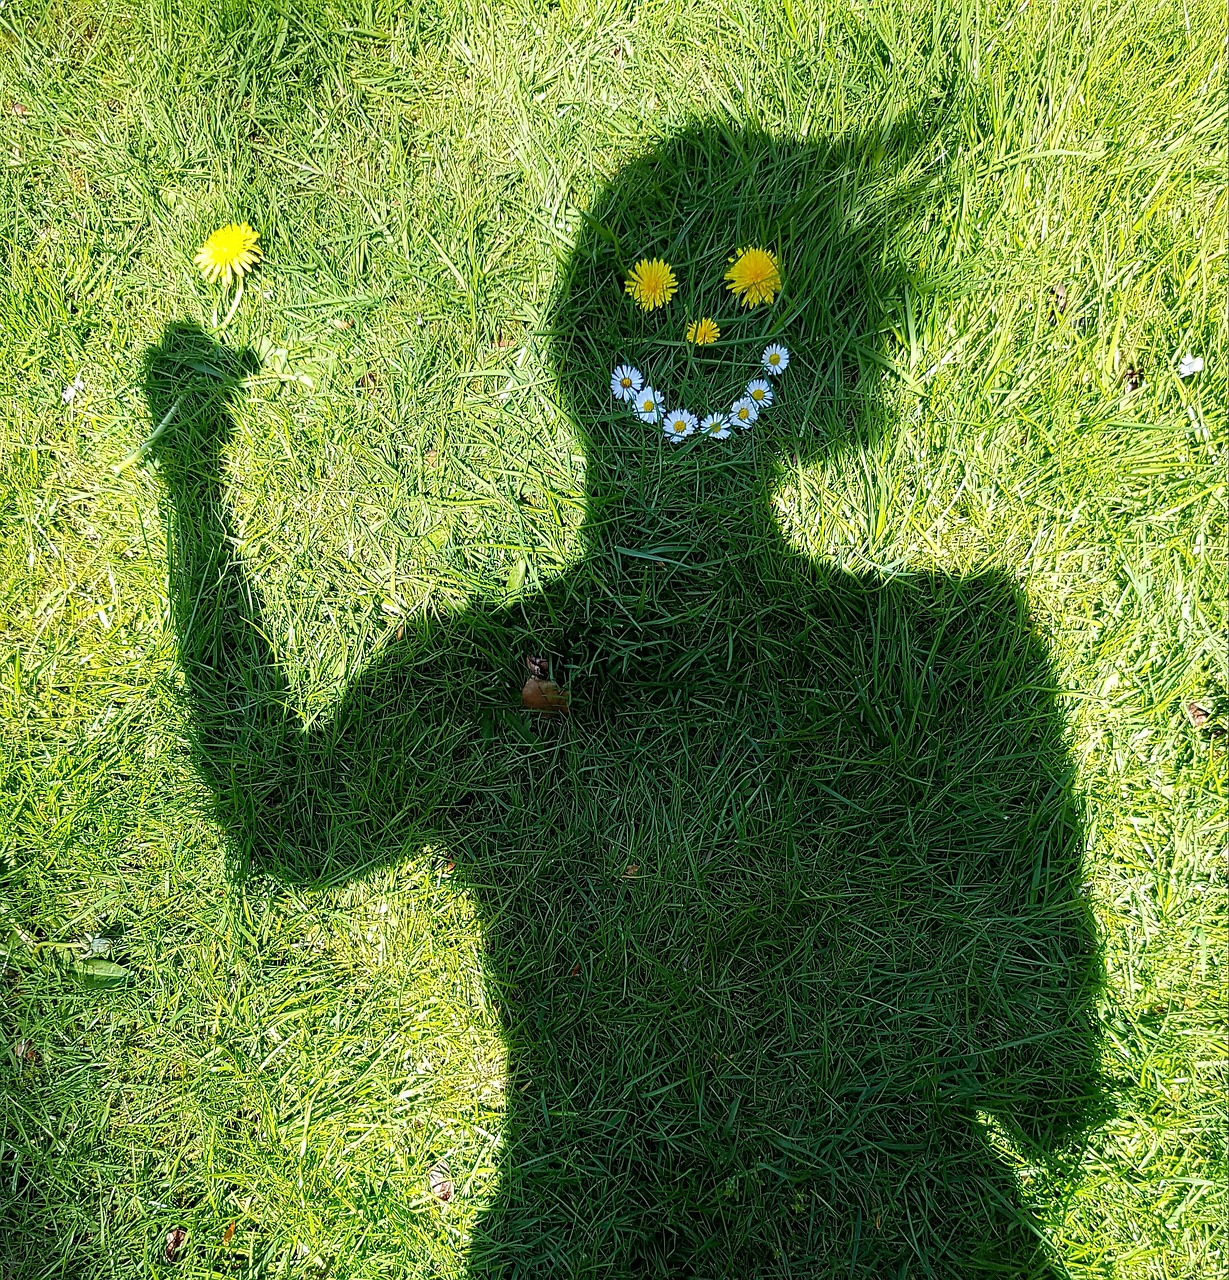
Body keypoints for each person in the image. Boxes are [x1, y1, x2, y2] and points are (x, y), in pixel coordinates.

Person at [148, 124, 1101, 1276]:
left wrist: (189, 478)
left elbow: (286, 826)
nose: (697, 329)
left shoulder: (473, 685)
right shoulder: (958, 646)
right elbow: (1048, 1085)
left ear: (572, 378)